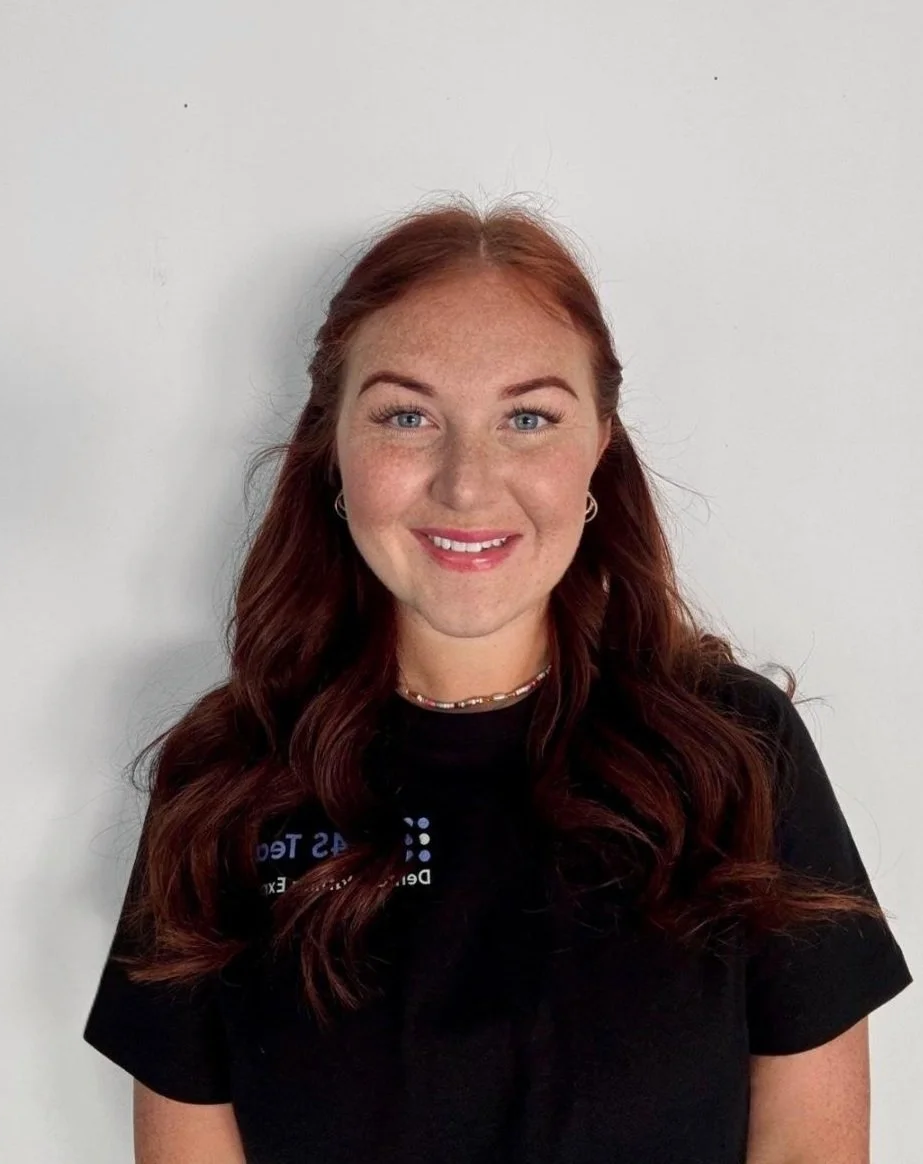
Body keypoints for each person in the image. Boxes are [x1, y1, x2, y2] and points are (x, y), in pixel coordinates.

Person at [83, 195, 913, 1164]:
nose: (467, 482)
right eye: (406, 415)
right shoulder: (224, 787)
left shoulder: (736, 758)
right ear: (332, 451)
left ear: (599, 443)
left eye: (526, 417)